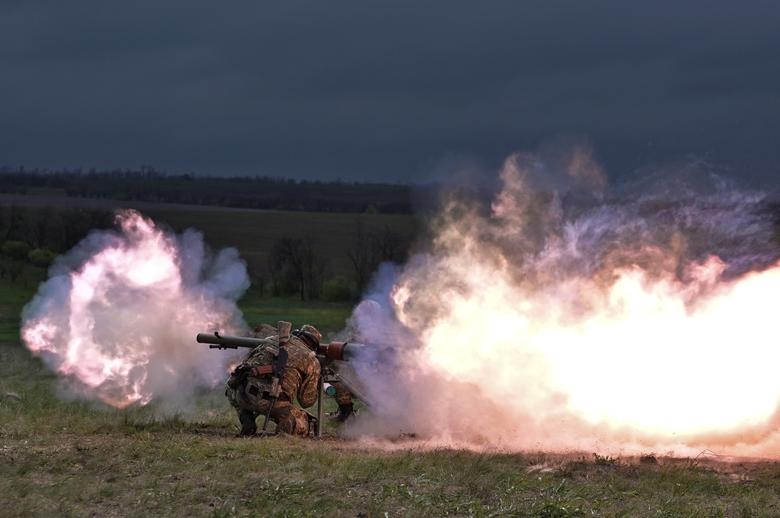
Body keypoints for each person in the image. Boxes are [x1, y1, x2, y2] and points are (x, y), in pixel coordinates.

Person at [225, 322, 322, 436]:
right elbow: (306, 401)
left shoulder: (271, 340)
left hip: (242, 393)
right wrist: (318, 382)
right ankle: (285, 429)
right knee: (304, 421)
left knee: (231, 386)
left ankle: (246, 417)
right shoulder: (311, 360)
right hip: (272, 400)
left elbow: (247, 362)